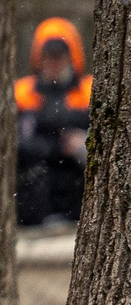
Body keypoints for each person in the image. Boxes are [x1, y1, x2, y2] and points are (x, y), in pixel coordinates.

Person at [16, 18, 91, 227]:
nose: (54, 64)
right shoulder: (23, 93)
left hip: (77, 199)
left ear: (72, 57)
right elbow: (17, 145)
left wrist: (81, 145)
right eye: (48, 57)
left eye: (60, 57)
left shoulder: (88, 92)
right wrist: (58, 146)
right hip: (34, 204)